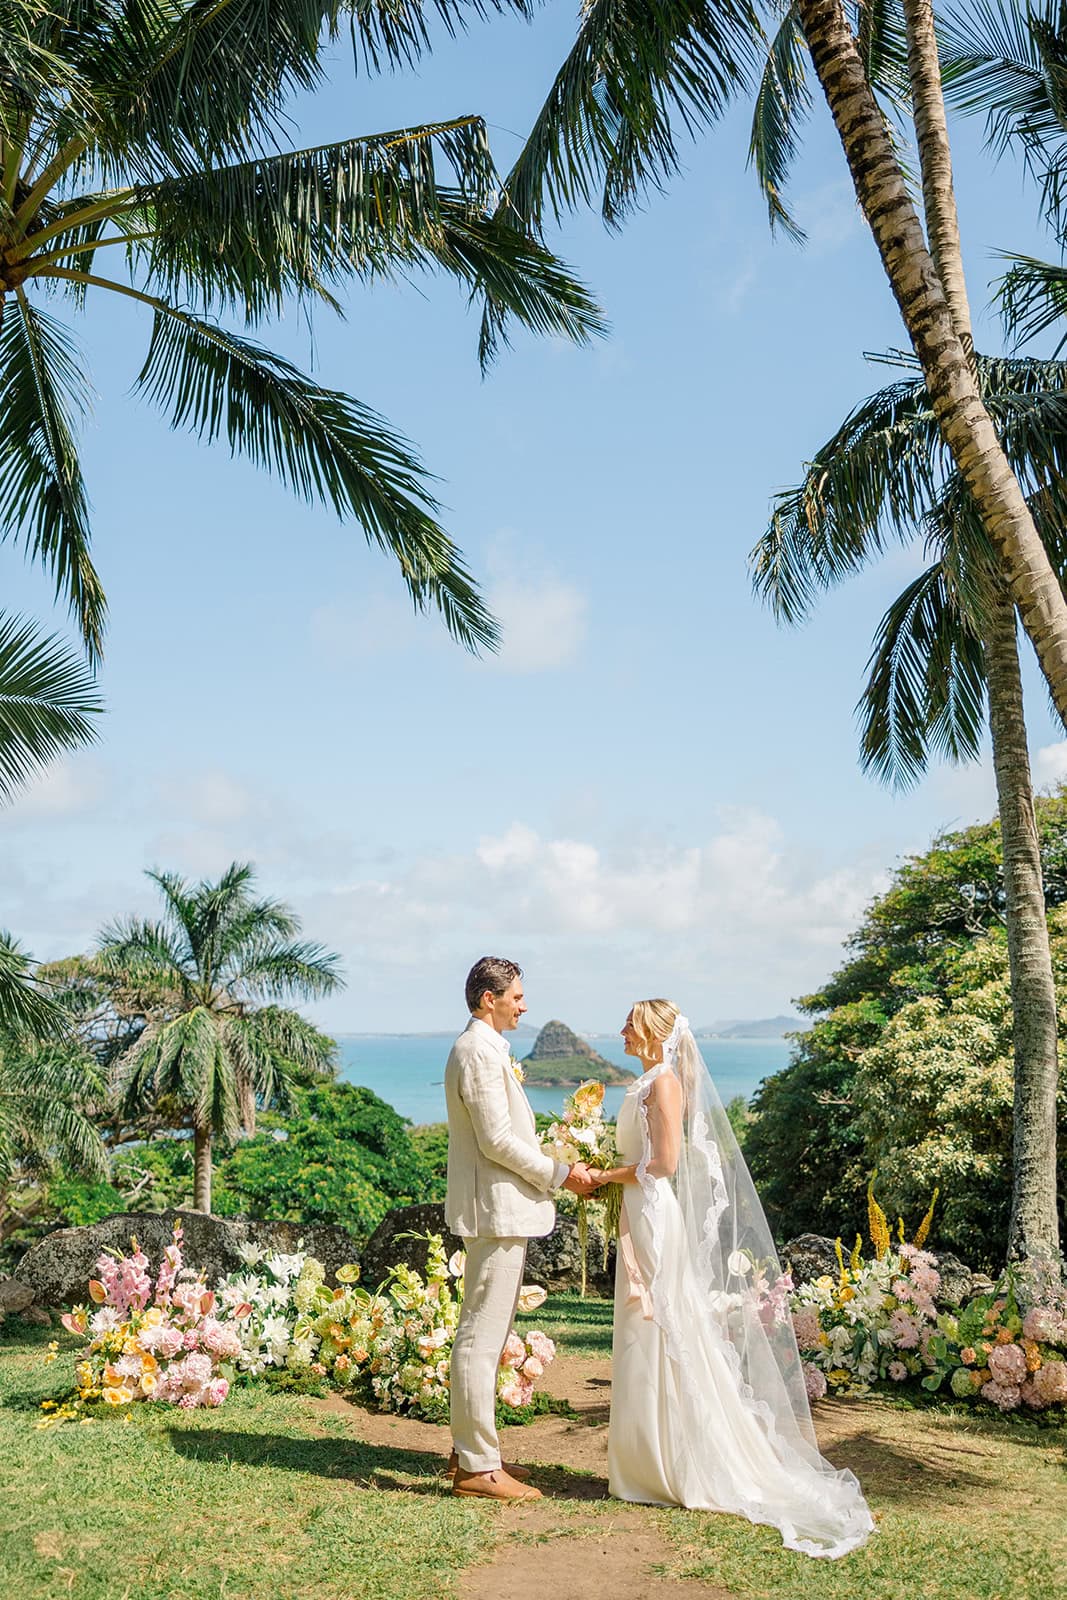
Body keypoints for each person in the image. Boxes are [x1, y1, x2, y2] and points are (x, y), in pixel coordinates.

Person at [587, 999, 874, 1558]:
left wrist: (601, 1175)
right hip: (636, 1209)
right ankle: (645, 1461)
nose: (620, 1027)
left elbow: (664, 1164)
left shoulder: (664, 1083)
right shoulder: (647, 1079)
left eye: (628, 1021)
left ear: (651, 1031)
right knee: (642, 1327)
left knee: (661, 1325)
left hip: (651, 1212)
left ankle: (672, 1464)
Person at [444, 956, 596, 1502]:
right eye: (517, 997)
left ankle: (474, 1453)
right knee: (480, 1338)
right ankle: (477, 1468)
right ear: (490, 998)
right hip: (495, 1210)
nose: (524, 1006)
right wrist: (562, 1174)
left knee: (486, 1333)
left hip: (501, 1210)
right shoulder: (477, 1052)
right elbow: (496, 1142)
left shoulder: (488, 1050)